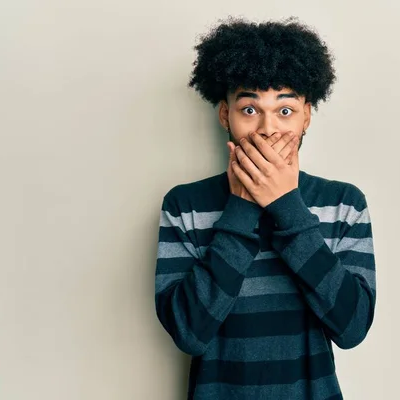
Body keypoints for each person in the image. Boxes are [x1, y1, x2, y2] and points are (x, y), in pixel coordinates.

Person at [154, 16, 376, 400]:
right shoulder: (184, 206)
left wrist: (287, 207)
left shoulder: (344, 205)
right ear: (226, 115)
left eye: (285, 111)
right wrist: (241, 208)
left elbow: (352, 328)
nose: (268, 130)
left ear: (307, 115)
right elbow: (189, 333)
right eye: (250, 110)